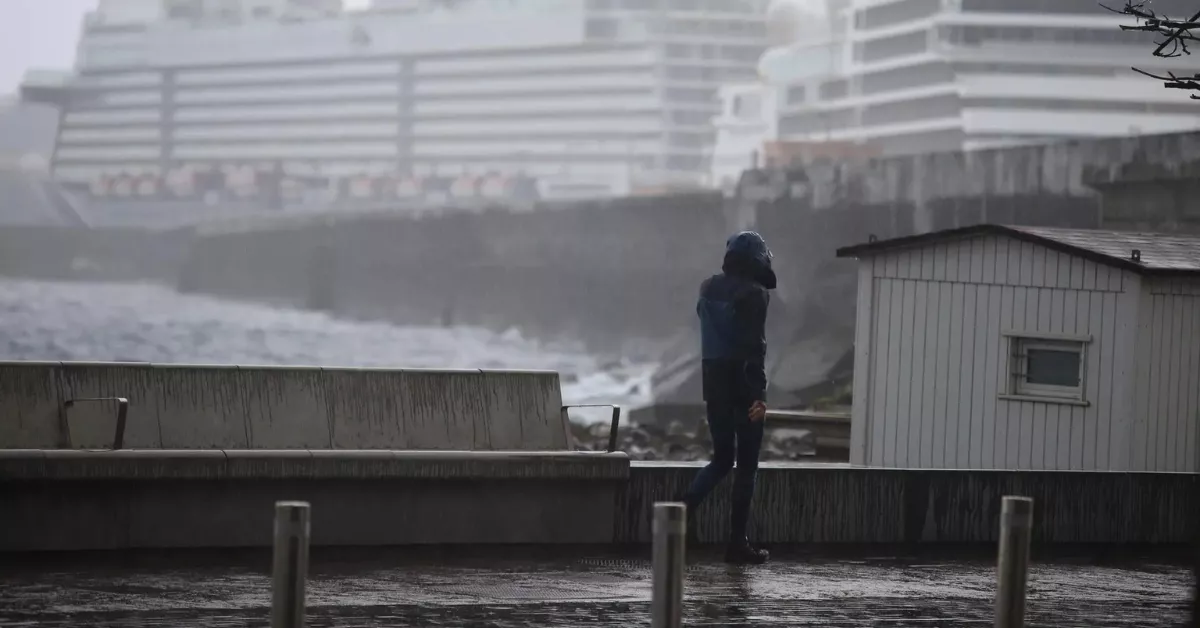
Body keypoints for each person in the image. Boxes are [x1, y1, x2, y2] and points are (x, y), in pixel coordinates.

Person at [681, 230, 776, 565]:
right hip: (743, 384)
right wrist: (758, 396)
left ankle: (681, 511)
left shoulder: (707, 287)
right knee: (746, 466)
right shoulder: (756, 294)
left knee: (722, 458)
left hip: (713, 382)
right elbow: (755, 348)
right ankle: (737, 544)